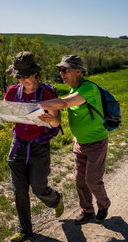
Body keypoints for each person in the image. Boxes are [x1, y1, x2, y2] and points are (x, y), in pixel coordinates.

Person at [0, 51, 64, 242]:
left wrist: (52, 119)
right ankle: (24, 229)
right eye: (18, 76)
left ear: (35, 74)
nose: (22, 79)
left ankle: (56, 199)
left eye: (25, 75)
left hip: (39, 147)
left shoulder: (47, 93)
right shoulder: (12, 92)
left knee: (38, 188)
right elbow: (5, 114)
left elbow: (57, 124)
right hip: (17, 145)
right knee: (19, 191)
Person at [39, 55, 111, 225]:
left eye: (65, 70)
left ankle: (103, 204)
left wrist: (35, 104)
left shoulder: (88, 88)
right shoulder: (73, 89)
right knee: (79, 180)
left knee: (92, 180)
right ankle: (87, 211)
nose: (61, 73)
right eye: (60, 70)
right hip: (79, 143)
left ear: (78, 71)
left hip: (97, 142)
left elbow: (64, 103)